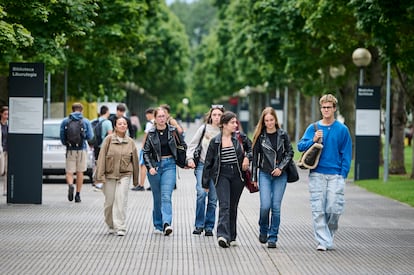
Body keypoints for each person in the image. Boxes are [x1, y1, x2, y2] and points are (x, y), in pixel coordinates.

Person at [297, 94, 352, 251]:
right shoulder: (313, 128)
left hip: (336, 175)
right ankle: (323, 241)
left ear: (334, 109)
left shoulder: (342, 130)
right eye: (323, 107)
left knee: (334, 208)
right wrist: (313, 139)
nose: (326, 110)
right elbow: (300, 146)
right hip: (317, 174)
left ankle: (328, 234)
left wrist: (343, 174)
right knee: (318, 208)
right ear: (320, 109)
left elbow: (346, 153)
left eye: (329, 107)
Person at [202, 111, 252, 248]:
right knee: (224, 205)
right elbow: (208, 163)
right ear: (224, 124)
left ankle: (232, 235)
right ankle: (223, 235)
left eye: (236, 122)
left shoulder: (240, 137)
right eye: (232, 122)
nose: (235, 125)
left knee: (232, 206)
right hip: (222, 175)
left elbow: (251, 149)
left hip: (237, 176)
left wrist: (247, 157)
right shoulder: (215, 141)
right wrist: (205, 183)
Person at [250, 107, 294, 249]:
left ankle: (273, 237)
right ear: (263, 121)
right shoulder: (260, 136)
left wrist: (281, 167)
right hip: (264, 174)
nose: (269, 123)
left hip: (280, 175)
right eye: (266, 120)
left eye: (271, 120)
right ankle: (263, 229)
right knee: (265, 206)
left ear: (275, 120)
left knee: (276, 207)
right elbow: (255, 158)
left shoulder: (283, 135)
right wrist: (254, 177)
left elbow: (290, 153)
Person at [143, 107, 187, 236]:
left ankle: (167, 223)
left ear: (166, 117)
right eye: (159, 117)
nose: (162, 119)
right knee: (157, 198)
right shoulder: (151, 133)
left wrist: (183, 161)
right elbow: (145, 152)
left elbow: (182, 145)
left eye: (163, 116)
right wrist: (150, 166)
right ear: (155, 119)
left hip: (170, 165)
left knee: (166, 196)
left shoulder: (173, 131)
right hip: (155, 167)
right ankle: (158, 224)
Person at [95, 116, 139, 236]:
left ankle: (121, 227)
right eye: (120, 124)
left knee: (121, 200)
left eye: (124, 124)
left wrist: (136, 180)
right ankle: (110, 224)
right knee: (109, 202)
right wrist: (100, 176)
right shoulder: (109, 140)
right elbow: (101, 158)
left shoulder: (130, 142)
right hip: (109, 175)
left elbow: (135, 161)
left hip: (124, 175)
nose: (123, 126)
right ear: (115, 126)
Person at [186, 105, 225, 236]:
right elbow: (192, 145)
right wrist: (190, 158)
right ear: (210, 116)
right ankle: (199, 224)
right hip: (202, 166)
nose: (217, 117)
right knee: (201, 193)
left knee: (213, 199)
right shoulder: (203, 129)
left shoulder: (225, 131)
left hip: (218, 169)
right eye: (214, 115)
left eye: (219, 115)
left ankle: (209, 226)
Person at [60, 102, 94, 203]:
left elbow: (62, 136)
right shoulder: (86, 121)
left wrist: (66, 143)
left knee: (69, 172)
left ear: (72, 109)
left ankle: (71, 185)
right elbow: (90, 136)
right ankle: (78, 195)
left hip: (70, 150)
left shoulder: (65, 121)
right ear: (81, 110)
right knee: (80, 172)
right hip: (82, 149)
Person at [131, 107, 154, 191]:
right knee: (152, 165)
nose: (146, 116)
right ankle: (153, 185)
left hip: (147, 148)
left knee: (143, 165)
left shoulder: (149, 124)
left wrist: (143, 147)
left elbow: (145, 136)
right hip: (154, 148)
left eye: (147, 114)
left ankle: (141, 184)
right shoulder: (157, 123)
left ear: (151, 114)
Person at [92, 105, 113, 190]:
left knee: (97, 163)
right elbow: (110, 135)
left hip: (96, 146)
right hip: (104, 146)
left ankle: (96, 181)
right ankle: (101, 182)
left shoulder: (95, 121)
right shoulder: (107, 122)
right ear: (107, 112)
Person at [0, 106, 8, 196]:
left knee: (6, 171)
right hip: (1, 150)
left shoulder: (9, 125)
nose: (6, 116)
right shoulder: (0, 125)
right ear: (1, 114)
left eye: (8, 114)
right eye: (5, 114)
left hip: (7, 150)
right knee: (1, 171)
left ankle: (5, 190)